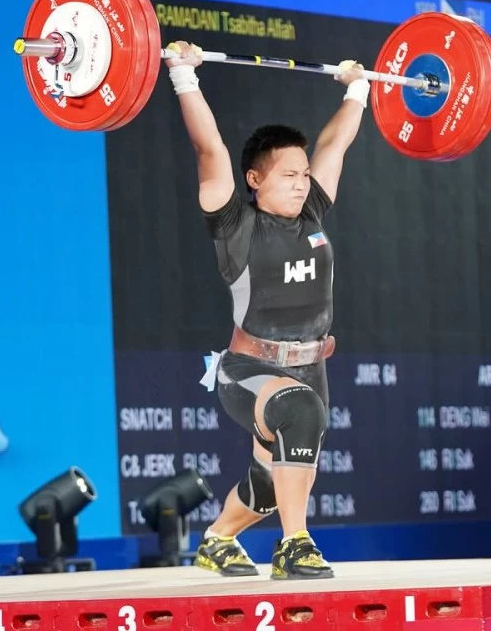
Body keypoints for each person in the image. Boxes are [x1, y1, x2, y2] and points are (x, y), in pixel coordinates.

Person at [166, 40, 369, 580]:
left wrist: (358, 89)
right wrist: (185, 77)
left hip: (309, 367)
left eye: (304, 174)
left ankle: (217, 538)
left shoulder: (313, 212)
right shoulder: (235, 225)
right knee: (299, 414)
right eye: (288, 175)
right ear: (255, 179)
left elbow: (335, 145)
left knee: (271, 482)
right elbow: (209, 149)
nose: (302, 183)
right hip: (249, 369)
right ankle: (294, 546)